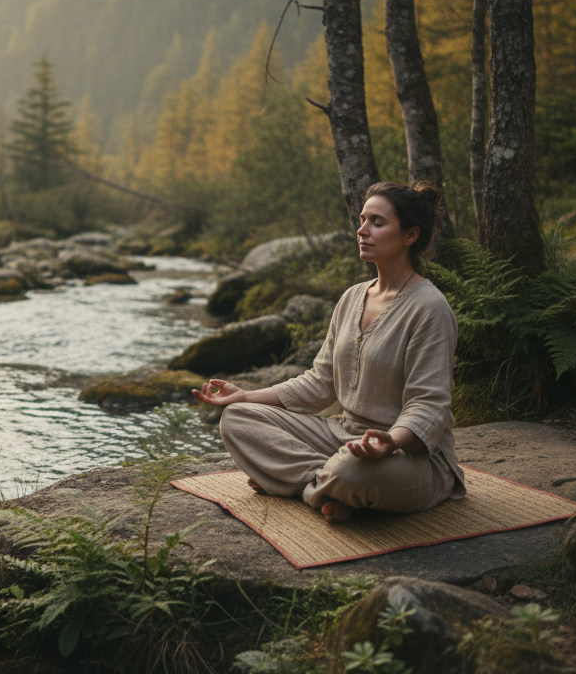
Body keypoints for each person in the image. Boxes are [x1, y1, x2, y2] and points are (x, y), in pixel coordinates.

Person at [192, 181, 466, 523]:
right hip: (340, 437)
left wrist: (390, 441)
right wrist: (247, 395)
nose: (362, 230)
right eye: (362, 220)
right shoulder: (352, 297)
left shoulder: (430, 308)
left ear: (410, 235)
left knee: (351, 471)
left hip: (409, 456)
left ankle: (304, 484)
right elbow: (320, 382)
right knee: (237, 417)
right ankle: (322, 486)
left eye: (377, 223)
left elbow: (429, 404)